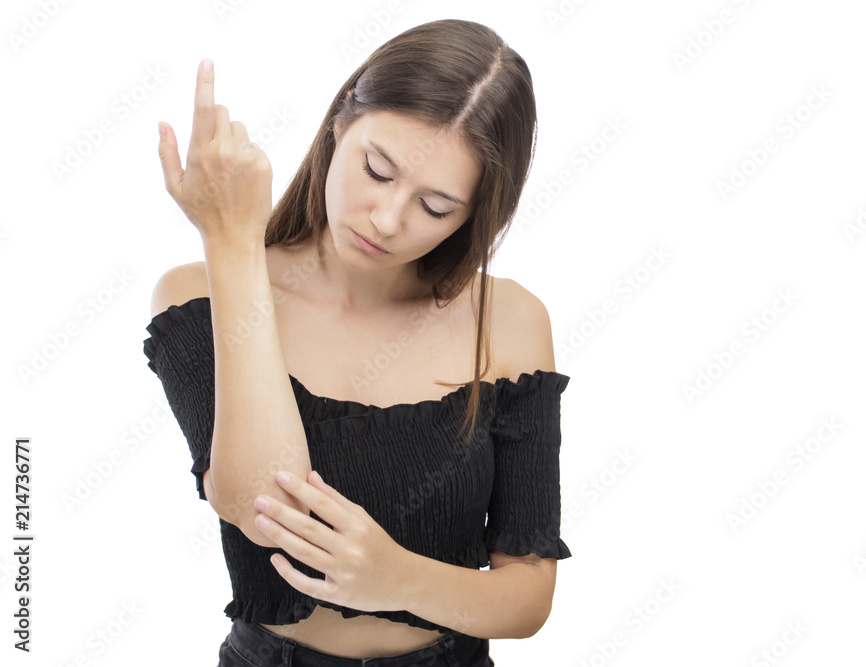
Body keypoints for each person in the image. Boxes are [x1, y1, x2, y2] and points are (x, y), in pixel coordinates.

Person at [144, 19, 571, 667]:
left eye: (436, 207)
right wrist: (231, 242)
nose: (388, 219)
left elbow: (529, 597)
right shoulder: (196, 294)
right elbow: (260, 503)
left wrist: (398, 577)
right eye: (377, 169)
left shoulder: (509, 321)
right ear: (340, 124)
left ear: (475, 214)